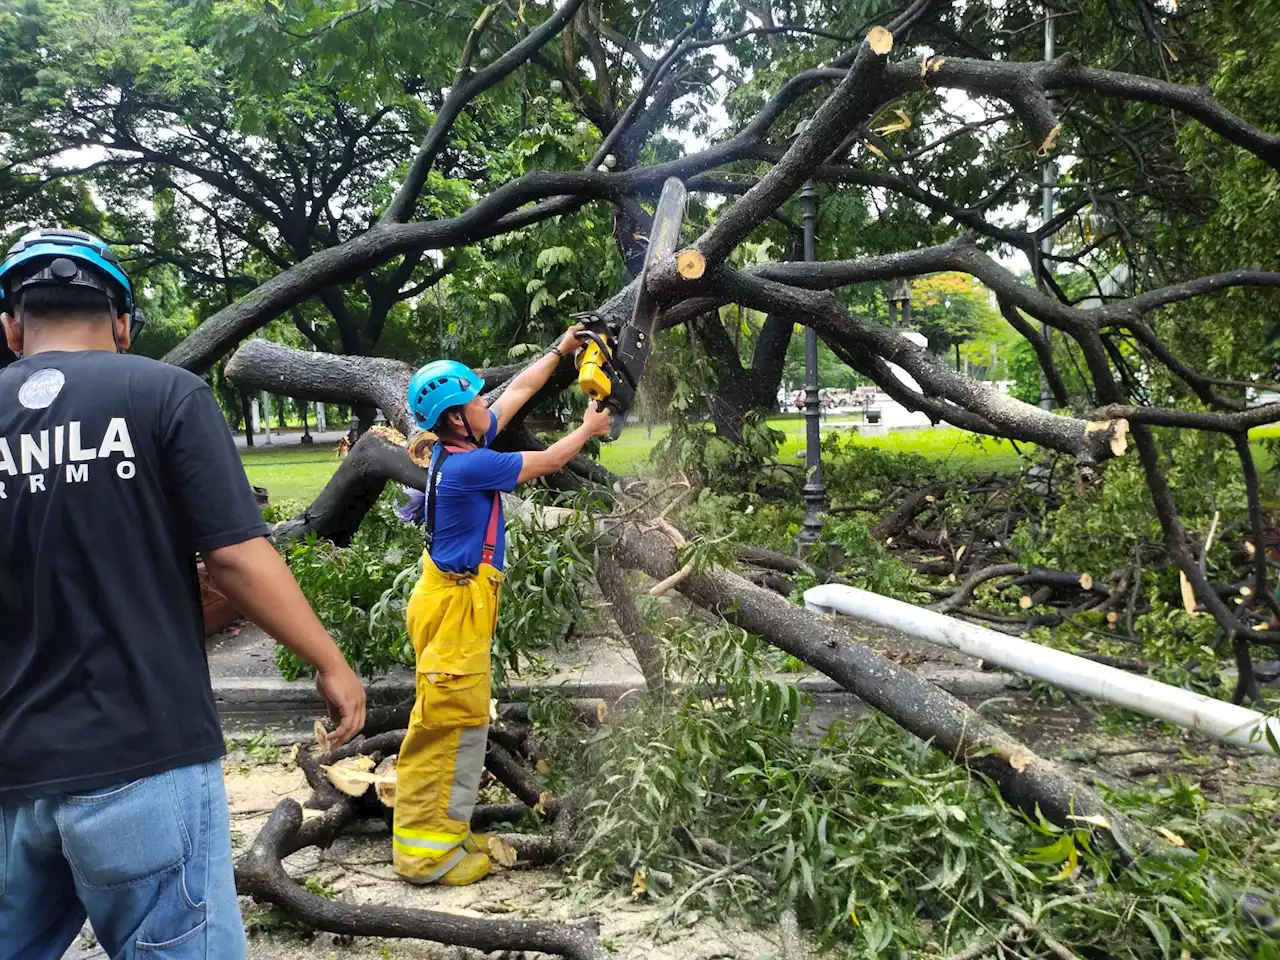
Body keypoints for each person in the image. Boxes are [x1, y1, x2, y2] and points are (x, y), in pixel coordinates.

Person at [0, 228, 367, 959]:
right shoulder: (163, 393)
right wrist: (330, 662)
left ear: (10, 325)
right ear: (122, 321)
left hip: (14, 775)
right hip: (144, 757)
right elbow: (234, 557)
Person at [394, 327, 611, 886]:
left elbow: (516, 391)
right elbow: (548, 460)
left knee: (462, 721)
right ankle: (425, 858)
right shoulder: (469, 466)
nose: (482, 404)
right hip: (453, 608)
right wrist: (588, 427)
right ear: (454, 419)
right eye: (471, 400)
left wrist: (562, 351)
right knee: (446, 725)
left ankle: (449, 830)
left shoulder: (461, 443)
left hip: (452, 599)